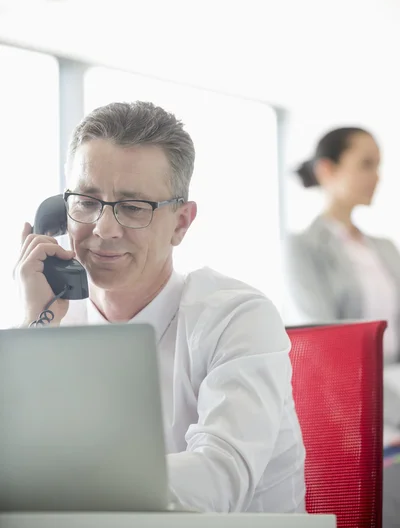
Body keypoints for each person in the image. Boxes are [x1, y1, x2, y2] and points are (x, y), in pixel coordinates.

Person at [14, 101, 305, 513]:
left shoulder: (237, 317)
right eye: (86, 201)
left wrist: (57, 484)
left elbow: (220, 478)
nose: (104, 228)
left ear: (181, 223)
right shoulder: (54, 319)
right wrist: (36, 327)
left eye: (133, 207)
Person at [285, 126, 400, 364]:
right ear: (327, 170)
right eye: (366, 164)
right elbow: (320, 335)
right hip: (350, 383)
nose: (377, 176)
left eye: (378, 165)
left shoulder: (385, 247)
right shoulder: (303, 248)